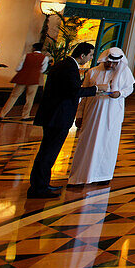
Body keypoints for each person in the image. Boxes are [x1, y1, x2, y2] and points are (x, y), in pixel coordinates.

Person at [28, 42, 99, 199]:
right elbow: (73, 91)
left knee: (47, 152)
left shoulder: (64, 64)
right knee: (48, 153)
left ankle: (41, 184)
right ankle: (38, 188)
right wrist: (95, 90)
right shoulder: (69, 67)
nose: (91, 58)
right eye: (90, 55)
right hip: (57, 116)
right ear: (82, 56)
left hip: (54, 114)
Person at [67, 48, 135, 186]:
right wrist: (79, 114)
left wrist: (120, 93)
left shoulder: (124, 72)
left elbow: (129, 88)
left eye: (113, 63)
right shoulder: (92, 72)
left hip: (112, 115)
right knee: (86, 143)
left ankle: (103, 175)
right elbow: (82, 96)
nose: (110, 65)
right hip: (92, 113)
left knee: (108, 144)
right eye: (108, 62)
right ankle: (80, 176)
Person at [0, 42, 49, 121]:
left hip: (22, 78)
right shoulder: (44, 58)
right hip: (34, 79)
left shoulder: (26, 56)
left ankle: (2, 114)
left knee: (13, 96)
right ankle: (25, 116)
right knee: (30, 98)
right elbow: (43, 69)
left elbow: (19, 67)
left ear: (34, 48)